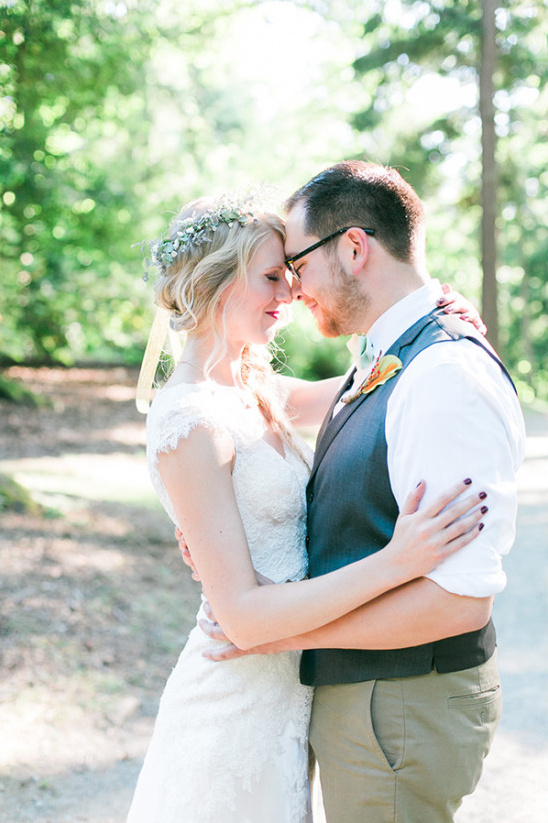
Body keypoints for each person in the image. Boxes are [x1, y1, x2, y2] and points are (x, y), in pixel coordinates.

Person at [126, 192, 488, 823]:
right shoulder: (190, 420)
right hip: (232, 702)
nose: (289, 293)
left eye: (291, 276)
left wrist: (437, 319)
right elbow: (241, 614)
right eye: (272, 276)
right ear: (215, 281)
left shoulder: (255, 390)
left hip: (290, 695)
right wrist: (399, 561)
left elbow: (381, 383)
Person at [200, 163, 526, 823]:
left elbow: (457, 603)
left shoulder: (443, 378)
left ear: (353, 248)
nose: (292, 289)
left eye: (296, 264)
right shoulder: (389, 354)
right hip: (376, 702)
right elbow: (258, 405)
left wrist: (287, 634)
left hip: (400, 706)